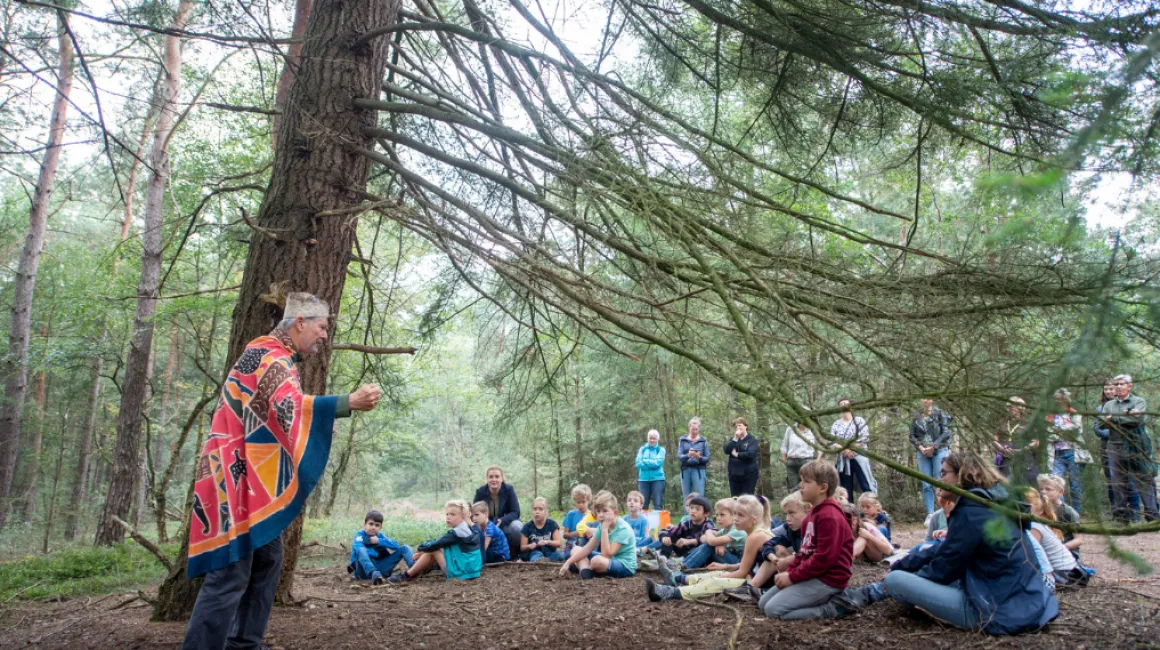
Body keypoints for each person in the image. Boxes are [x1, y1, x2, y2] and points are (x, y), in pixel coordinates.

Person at [182, 292, 382, 650]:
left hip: (251, 483)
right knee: (230, 573)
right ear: (301, 323)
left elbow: (274, 417)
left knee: (268, 559)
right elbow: (287, 405)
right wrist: (345, 403)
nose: (325, 336)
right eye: (321, 327)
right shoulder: (266, 355)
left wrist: (317, 424)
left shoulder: (278, 359)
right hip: (234, 478)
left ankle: (243, 643)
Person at [841, 452, 1059, 635]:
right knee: (904, 574)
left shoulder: (972, 511)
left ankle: (874, 592)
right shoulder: (991, 503)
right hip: (1027, 601)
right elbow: (944, 549)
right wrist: (904, 564)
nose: (939, 479)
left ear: (963, 476)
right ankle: (879, 590)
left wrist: (900, 577)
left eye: (944, 473)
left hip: (994, 611)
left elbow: (945, 566)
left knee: (898, 581)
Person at [758, 459, 854, 620]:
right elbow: (804, 552)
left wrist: (792, 577)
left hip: (829, 579)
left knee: (773, 610)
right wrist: (790, 572)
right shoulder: (812, 513)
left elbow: (824, 559)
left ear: (823, 488)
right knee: (763, 603)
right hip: (813, 574)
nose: (800, 485)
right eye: (801, 480)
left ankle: (833, 607)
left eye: (807, 482)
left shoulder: (829, 516)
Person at [647, 495, 775, 601]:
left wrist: (718, 577)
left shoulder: (755, 537)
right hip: (752, 576)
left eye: (740, 515)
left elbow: (742, 573)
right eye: (735, 514)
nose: (735, 519)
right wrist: (726, 568)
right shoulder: (755, 532)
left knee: (715, 581)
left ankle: (671, 592)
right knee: (719, 573)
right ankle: (677, 578)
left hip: (756, 586)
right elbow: (749, 565)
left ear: (754, 519)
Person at [1100, 375, 1159, 524]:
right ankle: (1121, 517)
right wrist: (1125, 416)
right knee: (1118, 482)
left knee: (1143, 480)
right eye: (1115, 385)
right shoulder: (1108, 405)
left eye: (1121, 384)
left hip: (1136, 446)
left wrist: (1112, 418)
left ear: (1129, 386)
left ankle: (1152, 516)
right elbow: (1100, 424)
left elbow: (1137, 421)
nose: (1118, 387)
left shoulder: (1139, 401)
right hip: (1115, 446)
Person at [734, 491, 812, 602]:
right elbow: (769, 540)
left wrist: (790, 559)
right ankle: (751, 587)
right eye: (786, 514)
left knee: (780, 551)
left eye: (792, 513)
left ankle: (757, 588)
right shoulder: (789, 528)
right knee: (777, 549)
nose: (787, 518)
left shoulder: (813, 528)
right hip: (792, 568)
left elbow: (812, 555)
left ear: (808, 510)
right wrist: (771, 556)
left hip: (810, 572)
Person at [389, 499, 483, 583]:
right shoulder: (466, 528)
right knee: (437, 549)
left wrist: (420, 549)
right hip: (472, 571)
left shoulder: (456, 533)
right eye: (447, 514)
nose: (448, 517)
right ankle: (418, 571)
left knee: (434, 550)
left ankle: (407, 575)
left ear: (462, 517)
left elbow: (434, 545)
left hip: (461, 574)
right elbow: (441, 542)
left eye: (453, 514)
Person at [558, 491, 637, 579]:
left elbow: (606, 555)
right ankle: (585, 571)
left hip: (624, 565)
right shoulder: (602, 525)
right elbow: (588, 548)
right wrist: (567, 563)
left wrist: (604, 530)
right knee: (576, 549)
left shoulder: (623, 529)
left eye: (605, 511)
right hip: (608, 560)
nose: (601, 515)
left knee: (596, 561)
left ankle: (586, 566)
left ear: (615, 513)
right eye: (598, 511)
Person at [1025, 488, 1087, 587]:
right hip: (1071, 571)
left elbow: (1032, 555)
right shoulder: (1040, 524)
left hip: (1064, 575)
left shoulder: (1034, 527)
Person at [1093, 380, 1136, 513]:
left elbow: (1133, 426)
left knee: (1130, 478)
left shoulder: (1128, 405)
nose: (1109, 391)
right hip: (1107, 447)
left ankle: (1134, 511)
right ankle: (1116, 511)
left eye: (1111, 389)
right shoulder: (1100, 409)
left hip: (1126, 446)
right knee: (1111, 479)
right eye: (1106, 389)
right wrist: (1115, 431)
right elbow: (1097, 429)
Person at [1046, 388, 1089, 512]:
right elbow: (1048, 434)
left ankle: (1075, 514)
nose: (1058, 402)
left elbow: (1076, 431)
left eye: (1061, 399)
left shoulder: (1074, 414)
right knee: (1055, 484)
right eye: (1056, 399)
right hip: (1057, 454)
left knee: (1075, 486)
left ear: (1066, 400)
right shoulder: (1050, 416)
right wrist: (1063, 431)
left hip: (1073, 453)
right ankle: (1061, 513)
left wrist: (1057, 431)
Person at [347, 510, 413, 584]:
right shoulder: (359, 536)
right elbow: (359, 550)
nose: (373, 527)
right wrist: (376, 553)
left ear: (380, 527)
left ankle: (414, 567)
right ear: (364, 524)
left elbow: (396, 545)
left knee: (405, 548)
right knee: (361, 550)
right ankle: (374, 573)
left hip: (381, 569)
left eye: (377, 525)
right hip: (363, 571)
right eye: (371, 524)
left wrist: (379, 541)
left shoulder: (379, 536)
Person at [829, 398, 877, 501]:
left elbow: (864, 437)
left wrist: (852, 450)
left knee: (865, 484)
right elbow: (832, 441)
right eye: (841, 404)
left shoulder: (859, 421)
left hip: (858, 457)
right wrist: (844, 450)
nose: (844, 406)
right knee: (846, 488)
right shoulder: (836, 424)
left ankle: (871, 510)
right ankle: (849, 513)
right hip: (842, 460)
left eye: (846, 404)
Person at [910, 398, 952, 514]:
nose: (925, 401)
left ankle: (944, 511)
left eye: (928, 398)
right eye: (923, 398)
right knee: (926, 483)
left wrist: (933, 446)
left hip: (940, 449)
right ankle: (930, 514)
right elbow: (912, 436)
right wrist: (921, 448)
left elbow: (946, 433)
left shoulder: (939, 413)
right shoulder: (916, 416)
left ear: (932, 400)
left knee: (940, 480)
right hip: (922, 452)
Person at [472, 466, 523, 558]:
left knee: (517, 527)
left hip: (505, 524)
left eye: (497, 476)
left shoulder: (509, 490)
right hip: (486, 526)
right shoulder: (480, 492)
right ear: (487, 479)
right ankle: (480, 556)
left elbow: (516, 512)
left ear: (502, 478)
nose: (494, 479)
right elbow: (474, 513)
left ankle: (516, 554)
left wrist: (502, 520)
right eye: (491, 477)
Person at [681, 498, 746, 569]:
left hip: (739, 563)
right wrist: (716, 542)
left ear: (734, 515)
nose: (718, 518)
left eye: (722, 515)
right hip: (731, 558)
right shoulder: (725, 530)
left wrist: (708, 532)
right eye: (717, 515)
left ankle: (686, 566)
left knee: (710, 547)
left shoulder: (738, 530)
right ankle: (684, 563)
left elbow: (712, 541)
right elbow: (703, 539)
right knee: (708, 546)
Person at [994, 396, 1039, 484]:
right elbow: (995, 439)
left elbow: (1036, 442)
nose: (1009, 409)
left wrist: (1021, 450)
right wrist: (1001, 448)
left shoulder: (1028, 423)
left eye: (1011, 406)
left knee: (1024, 483)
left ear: (1020, 407)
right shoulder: (1003, 421)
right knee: (1004, 482)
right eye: (1008, 407)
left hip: (1023, 457)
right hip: (1005, 456)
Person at [1038, 474, 1083, 558]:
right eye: (1041, 489)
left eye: (1048, 489)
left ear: (1061, 492)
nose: (1043, 492)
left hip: (1066, 553)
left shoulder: (1068, 512)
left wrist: (1061, 548)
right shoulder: (1038, 509)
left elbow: (1078, 540)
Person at [657, 495, 716, 559]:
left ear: (706, 513)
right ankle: (663, 558)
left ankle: (683, 561)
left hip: (699, 554)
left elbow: (711, 540)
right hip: (684, 551)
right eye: (691, 508)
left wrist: (690, 541)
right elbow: (667, 532)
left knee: (706, 546)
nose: (693, 511)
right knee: (669, 537)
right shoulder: (685, 524)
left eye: (697, 509)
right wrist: (664, 537)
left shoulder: (708, 525)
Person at [781, 417, 822, 493]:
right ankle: (795, 504)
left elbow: (820, 446)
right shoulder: (790, 429)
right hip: (791, 462)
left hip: (806, 462)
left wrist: (817, 460)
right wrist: (784, 458)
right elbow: (784, 444)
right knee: (793, 489)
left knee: (807, 487)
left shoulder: (813, 430)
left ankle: (807, 505)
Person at [519, 497, 564, 562]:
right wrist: (529, 546)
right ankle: (541, 561)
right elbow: (522, 548)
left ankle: (546, 561)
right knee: (535, 557)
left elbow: (558, 543)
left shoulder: (552, 524)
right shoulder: (527, 526)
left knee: (560, 556)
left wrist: (547, 542)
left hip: (550, 553)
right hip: (535, 552)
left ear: (545, 511)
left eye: (540, 509)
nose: (537, 512)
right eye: (535, 509)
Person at [724, 416, 760, 496]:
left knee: (746, 499)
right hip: (734, 474)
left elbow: (751, 454)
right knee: (735, 499)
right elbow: (726, 450)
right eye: (736, 426)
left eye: (740, 425)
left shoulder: (752, 440)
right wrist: (735, 438)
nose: (738, 427)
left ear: (746, 426)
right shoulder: (733, 439)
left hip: (748, 475)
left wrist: (737, 454)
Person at [678, 417, 710, 503]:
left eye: (696, 429)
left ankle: (700, 516)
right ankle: (686, 516)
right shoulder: (682, 439)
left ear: (699, 429)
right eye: (693, 429)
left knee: (699, 496)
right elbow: (680, 456)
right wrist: (688, 455)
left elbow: (707, 458)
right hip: (685, 470)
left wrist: (698, 457)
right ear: (689, 427)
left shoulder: (703, 440)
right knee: (686, 497)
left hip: (699, 471)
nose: (694, 431)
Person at [635, 429, 667, 510]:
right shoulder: (642, 449)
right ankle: (644, 522)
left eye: (654, 438)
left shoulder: (661, 450)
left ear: (657, 439)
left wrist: (644, 461)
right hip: (643, 480)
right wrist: (651, 463)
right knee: (643, 504)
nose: (652, 440)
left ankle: (659, 522)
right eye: (650, 438)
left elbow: (657, 463)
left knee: (658, 504)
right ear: (647, 438)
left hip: (658, 480)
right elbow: (638, 463)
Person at [562, 484, 596, 557]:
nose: (581, 505)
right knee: (568, 555)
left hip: (586, 543)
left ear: (588, 500)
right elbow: (565, 535)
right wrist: (574, 534)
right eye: (578, 502)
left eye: (583, 502)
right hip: (571, 542)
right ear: (575, 501)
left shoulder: (592, 516)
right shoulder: (571, 514)